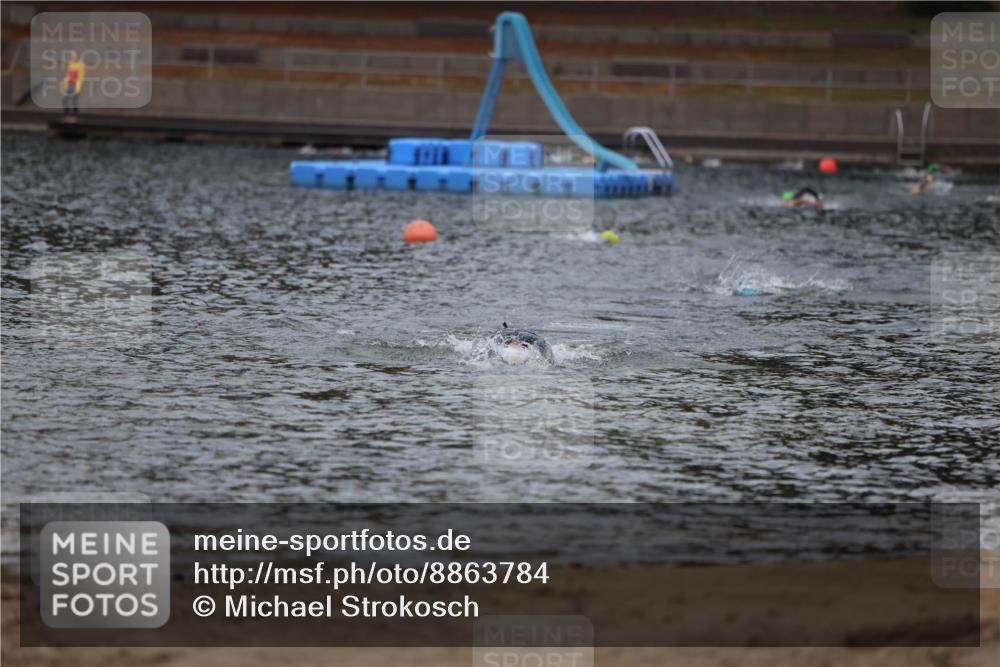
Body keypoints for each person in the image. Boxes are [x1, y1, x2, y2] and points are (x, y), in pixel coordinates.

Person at [488, 323, 555, 365]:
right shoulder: (500, 339)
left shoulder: (534, 341)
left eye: (517, 344)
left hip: (527, 334)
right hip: (510, 333)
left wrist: (549, 362)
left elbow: (548, 356)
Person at [62, 51, 85, 117]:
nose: (73, 57)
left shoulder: (81, 65)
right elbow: (69, 74)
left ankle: (73, 116)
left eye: (74, 55)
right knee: (66, 100)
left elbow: (81, 77)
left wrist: (78, 88)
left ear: (78, 56)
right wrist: (66, 81)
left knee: (73, 101)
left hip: (75, 85)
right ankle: (69, 114)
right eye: (72, 56)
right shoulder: (71, 63)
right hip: (70, 84)